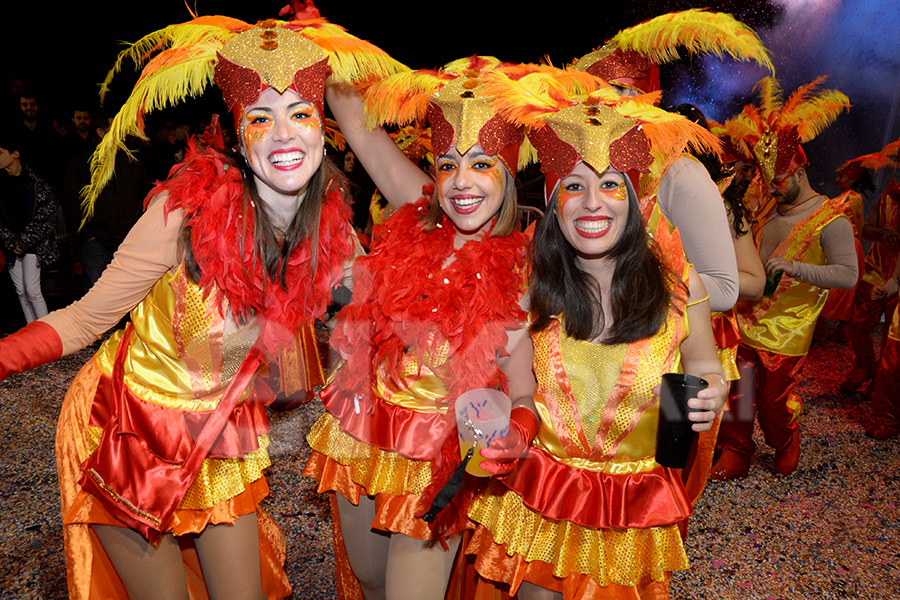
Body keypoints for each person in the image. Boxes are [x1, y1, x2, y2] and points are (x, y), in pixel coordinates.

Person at [0, 14, 404, 600]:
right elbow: (86, 318)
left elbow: (395, 311)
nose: (285, 135)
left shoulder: (332, 233)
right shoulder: (180, 216)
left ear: (324, 133)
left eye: (302, 116)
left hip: (219, 427)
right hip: (129, 424)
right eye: (262, 119)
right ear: (240, 137)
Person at [303, 57, 563, 600]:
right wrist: (328, 51)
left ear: (509, 173)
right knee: (371, 581)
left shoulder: (529, 267)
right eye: (447, 165)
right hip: (363, 432)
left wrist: (517, 425)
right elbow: (362, 131)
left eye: (481, 164)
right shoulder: (419, 215)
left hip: (439, 456)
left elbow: (521, 385)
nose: (460, 181)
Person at [462, 81, 727, 599]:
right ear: (555, 202)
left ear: (633, 198)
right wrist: (500, 430)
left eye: (609, 185)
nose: (591, 203)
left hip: (635, 506)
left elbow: (703, 361)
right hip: (546, 498)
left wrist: (713, 389)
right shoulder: (529, 284)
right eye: (573, 187)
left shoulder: (680, 283)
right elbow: (508, 386)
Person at [572, 8, 775, 313]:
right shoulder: (581, 173)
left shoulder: (679, 174)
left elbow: (724, 289)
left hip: (667, 349)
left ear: (640, 102)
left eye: (609, 97)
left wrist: (622, 286)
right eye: (588, 101)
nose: (597, 111)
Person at [711, 76, 858, 480]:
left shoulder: (832, 221)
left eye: (777, 182)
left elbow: (848, 275)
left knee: (775, 403)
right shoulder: (769, 210)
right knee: (737, 395)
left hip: (786, 333)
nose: (771, 191)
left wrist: (795, 268)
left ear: (799, 173)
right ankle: (736, 450)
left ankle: (785, 440)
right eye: (768, 183)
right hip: (745, 321)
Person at [838, 137, 900, 392]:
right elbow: (868, 229)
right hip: (876, 267)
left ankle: (882, 383)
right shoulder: (891, 192)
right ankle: (865, 366)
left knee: (892, 333)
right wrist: (883, 232)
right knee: (856, 322)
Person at [0, 130, 59, 322]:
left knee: (32, 290)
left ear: (15, 154)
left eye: (0, 153)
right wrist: (11, 242)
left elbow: (47, 217)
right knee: (21, 292)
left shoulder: (34, 182)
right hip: (11, 245)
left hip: (33, 244)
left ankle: (45, 334)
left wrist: (24, 241)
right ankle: (31, 333)